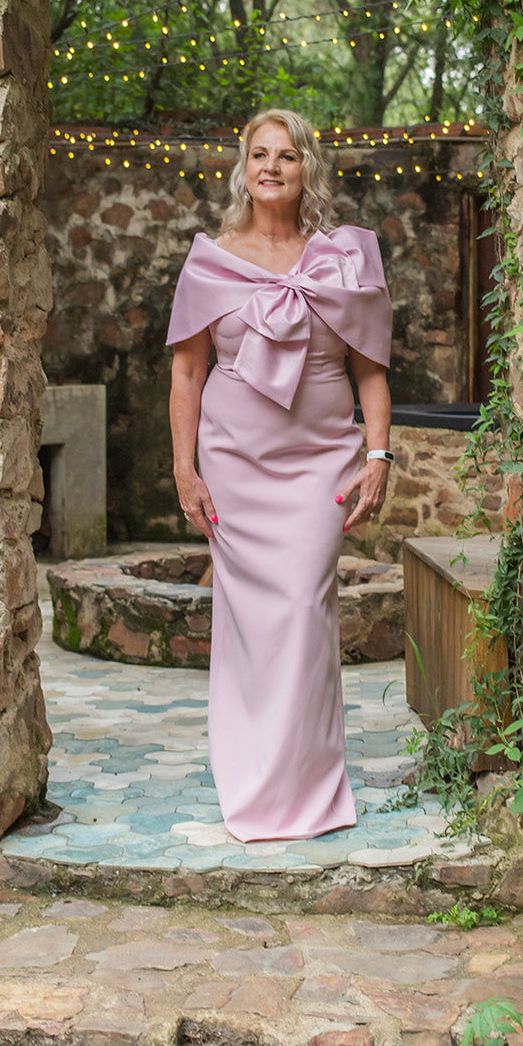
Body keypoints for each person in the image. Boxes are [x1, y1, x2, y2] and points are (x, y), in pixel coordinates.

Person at [166, 109, 393, 842]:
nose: (272, 166)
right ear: (244, 168)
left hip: (319, 464)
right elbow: (187, 371)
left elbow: (372, 371)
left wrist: (378, 454)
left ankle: (310, 787)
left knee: (301, 611)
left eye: (287, 156)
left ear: (306, 170)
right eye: (259, 154)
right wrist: (185, 468)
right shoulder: (210, 260)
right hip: (234, 465)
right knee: (249, 627)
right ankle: (253, 778)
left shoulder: (343, 259)